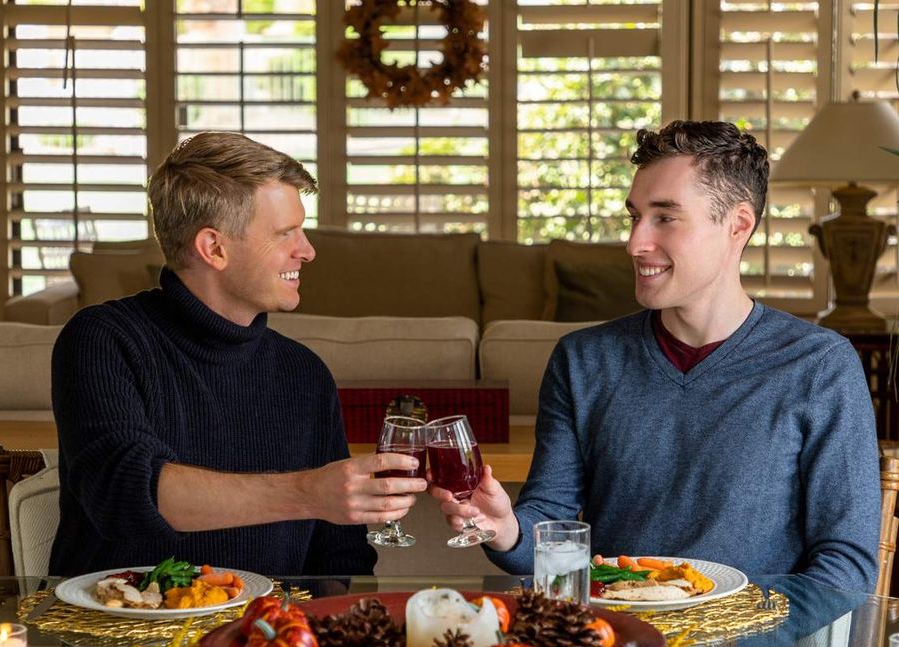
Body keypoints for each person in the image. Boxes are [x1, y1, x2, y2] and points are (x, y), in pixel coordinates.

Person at [430, 120, 880, 593]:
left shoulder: (820, 366)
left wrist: (723, 633)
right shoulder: (583, 361)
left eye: (665, 217)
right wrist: (507, 530)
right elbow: (551, 527)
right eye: (634, 217)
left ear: (737, 225)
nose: (634, 243)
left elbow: (845, 569)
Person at [48, 132, 427, 577]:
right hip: (122, 636)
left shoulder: (303, 372)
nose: (306, 251)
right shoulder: (103, 340)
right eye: (285, 233)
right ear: (214, 248)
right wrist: (308, 492)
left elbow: (341, 556)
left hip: (269, 640)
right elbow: (123, 493)